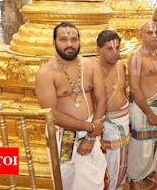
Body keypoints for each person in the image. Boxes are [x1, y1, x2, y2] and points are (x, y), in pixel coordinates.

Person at [35, 22, 107, 189]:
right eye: (63, 39)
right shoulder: (45, 73)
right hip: (65, 138)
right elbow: (51, 113)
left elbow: (102, 100)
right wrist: (89, 127)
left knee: (93, 184)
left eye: (74, 39)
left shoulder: (91, 65)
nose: (69, 44)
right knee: (65, 183)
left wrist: (90, 136)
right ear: (54, 43)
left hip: (90, 133)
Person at [127, 21, 157, 189]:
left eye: (156, 32)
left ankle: (147, 172)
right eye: (149, 32)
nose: (154, 35)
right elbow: (135, 88)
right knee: (140, 146)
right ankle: (136, 179)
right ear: (141, 35)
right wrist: (149, 114)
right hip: (145, 109)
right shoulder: (136, 57)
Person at [96, 30, 130, 190]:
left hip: (123, 119)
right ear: (99, 50)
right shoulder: (91, 69)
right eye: (109, 48)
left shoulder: (122, 64)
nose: (115, 52)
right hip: (105, 125)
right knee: (107, 164)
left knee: (122, 163)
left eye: (117, 48)